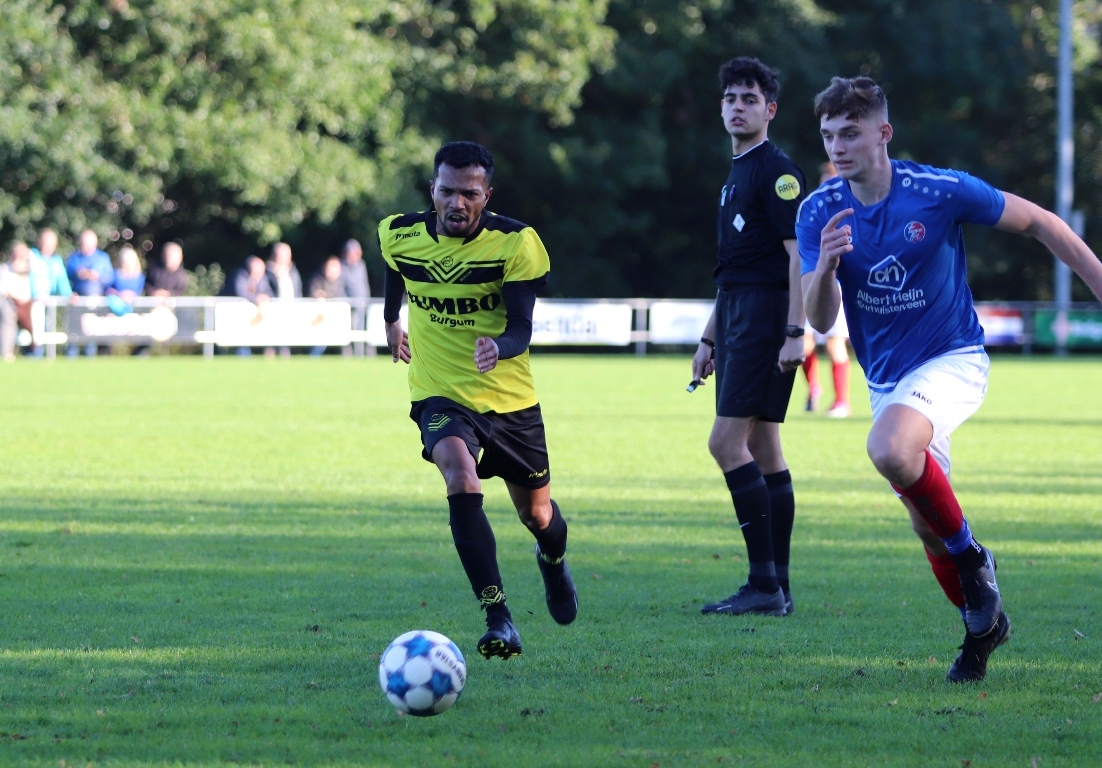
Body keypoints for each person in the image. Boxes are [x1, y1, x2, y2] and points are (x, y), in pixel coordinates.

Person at [798, 76, 1102, 683]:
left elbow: (1042, 222)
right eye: (829, 135)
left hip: (953, 358)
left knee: (888, 449)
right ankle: (982, 631)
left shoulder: (938, 190)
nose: (837, 147)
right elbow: (821, 320)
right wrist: (826, 266)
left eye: (851, 133)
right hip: (886, 381)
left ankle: (973, 555)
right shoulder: (817, 211)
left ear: (884, 133)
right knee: (929, 530)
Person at [379, 141, 577, 660]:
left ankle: (553, 562)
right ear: (432, 190)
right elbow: (395, 268)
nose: (457, 203)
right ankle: (498, 617)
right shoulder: (398, 233)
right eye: (447, 191)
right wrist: (391, 320)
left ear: (487, 196)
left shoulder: (515, 243)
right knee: (460, 477)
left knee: (538, 516)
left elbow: (521, 328)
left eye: (470, 194)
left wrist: (499, 347)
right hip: (439, 392)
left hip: (508, 399)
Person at [690, 57, 807, 617]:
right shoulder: (736, 171)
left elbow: (798, 256)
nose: (738, 107)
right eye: (731, 98)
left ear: (770, 109)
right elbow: (733, 270)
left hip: (765, 318)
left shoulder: (776, 171)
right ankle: (776, 586)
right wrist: (709, 339)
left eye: (750, 99)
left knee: (725, 444)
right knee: (762, 448)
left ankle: (764, 586)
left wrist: (795, 331)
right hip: (738, 315)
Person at [802, 163, 852, 418]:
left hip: (839, 286)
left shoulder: (852, 212)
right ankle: (813, 390)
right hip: (811, 284)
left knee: (834, 344)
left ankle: (841, 402)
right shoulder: (812, 213)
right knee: (803, 343)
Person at [66, 230, 114, 357]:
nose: (85, 246)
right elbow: (66, 275)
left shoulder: (102, 258)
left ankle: (90, 354)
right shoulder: (74, 258)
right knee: (74, 331)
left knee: (91, 330)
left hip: (95, 301)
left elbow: (110, 278)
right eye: (83, 243)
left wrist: (97, 276)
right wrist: (78, 273)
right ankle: (71, 355)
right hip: (76, 301)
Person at [225, 255, 273, 356]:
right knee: (240, 335)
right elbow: (240, 292)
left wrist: (265, 297)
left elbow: (268, 291)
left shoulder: (262, 278)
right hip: (236, 315)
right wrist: (256, 298)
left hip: (255, 316)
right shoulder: (240, 275)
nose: (259, 275)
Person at [307, 255, 350, 356]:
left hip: (337, 318)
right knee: (320, 340)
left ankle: (347, 356)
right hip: (320, 318)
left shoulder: (341, 282)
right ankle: (313, 357)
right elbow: (314, 292)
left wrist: (326, 295)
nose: (330, 272)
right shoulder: (317, 279)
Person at [267, 242, 301, 357]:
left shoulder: (293, 272)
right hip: (272, 309)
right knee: (270, 339)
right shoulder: (268, 271)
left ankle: (284, 354)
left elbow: (298, 290)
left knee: (285, 338)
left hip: (289, 309)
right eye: (280, 256)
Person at [0, 242, 33, 362]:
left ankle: (32, 353)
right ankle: (6, 353)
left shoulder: (27, 268)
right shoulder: (5, 269)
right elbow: (3, 289)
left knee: (29, 329)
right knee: (8, 328)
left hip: (25, 304)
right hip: (9, 303)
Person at [340, 239, 373, 356]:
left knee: (365, 331)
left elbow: (365, 285)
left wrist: (367, 300)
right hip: (349, 306)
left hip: (363, 304)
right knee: (349, 331)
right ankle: (348, 355)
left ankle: (366, 355)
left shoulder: (361, 265)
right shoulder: (341, 267)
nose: (355, 256)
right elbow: (341, 287)